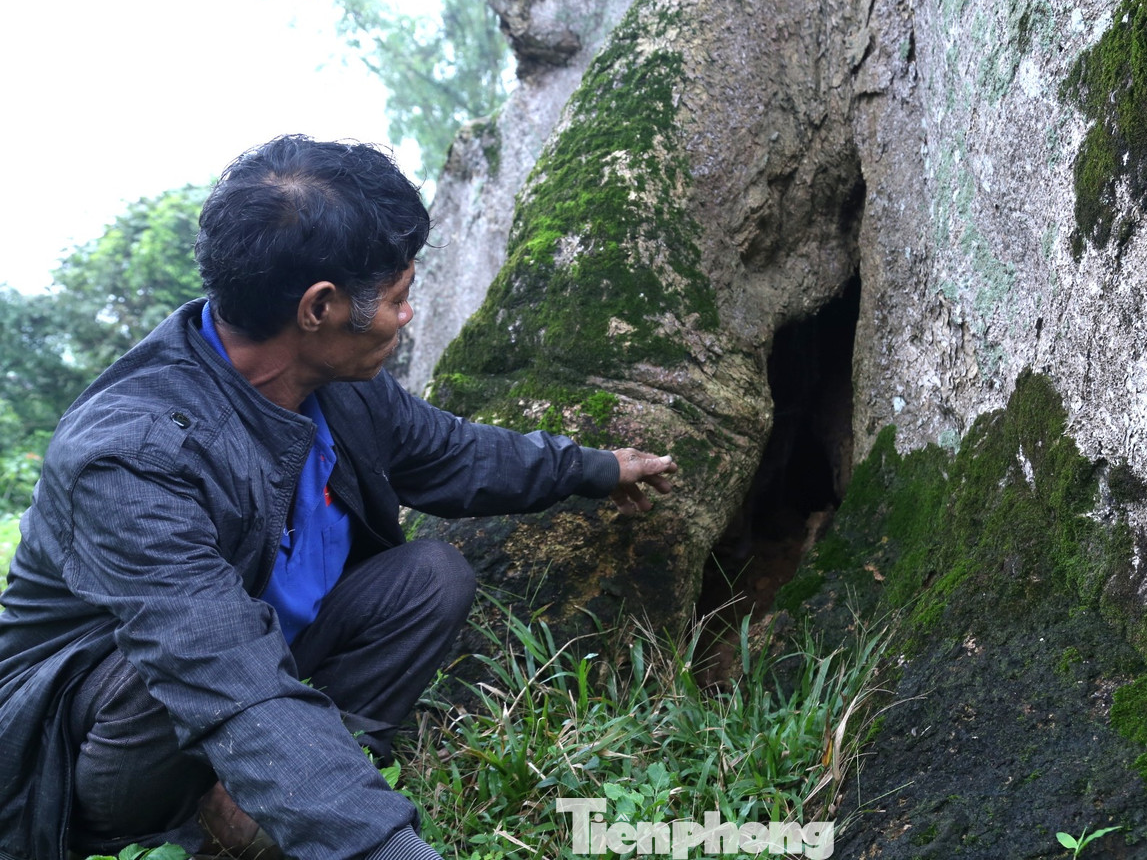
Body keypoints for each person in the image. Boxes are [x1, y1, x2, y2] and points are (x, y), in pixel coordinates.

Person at [0, 135, 677, 860]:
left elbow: (453, 452)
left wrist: (596, 467)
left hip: (256, 669)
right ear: (319, 307)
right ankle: (212, 817)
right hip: (105, 738)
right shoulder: (130, 455)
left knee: (431, 576)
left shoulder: (342, 391)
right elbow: (220, 673)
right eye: (397, 296)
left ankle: (281, 790)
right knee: (165, 667)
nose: (407, 316)